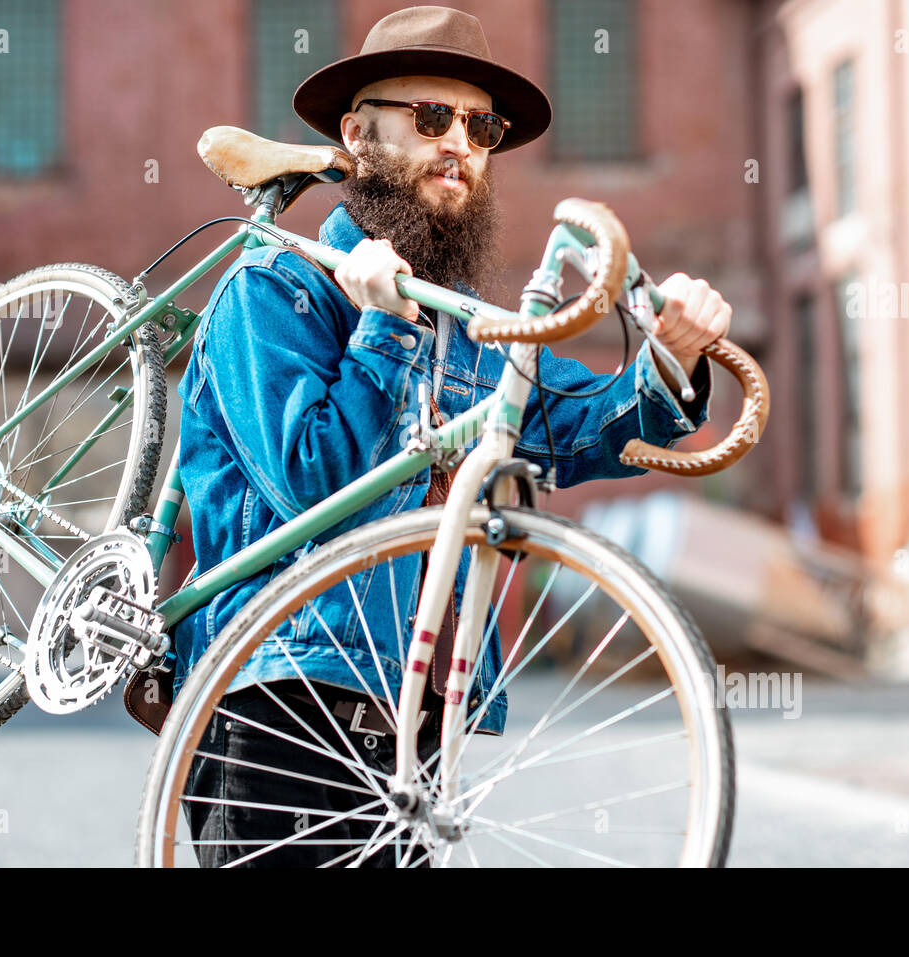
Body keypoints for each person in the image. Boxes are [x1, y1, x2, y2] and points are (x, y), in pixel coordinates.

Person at [172, 5, 732, 867]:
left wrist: (672, 356)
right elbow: (313, 489)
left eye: (482, 125)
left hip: (414, 731)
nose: (460, 143)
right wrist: (383, 330)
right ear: (358, 138)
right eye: (430, 117)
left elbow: (583, 422)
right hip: (276, 707)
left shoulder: (469, 333)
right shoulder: (273, 290)